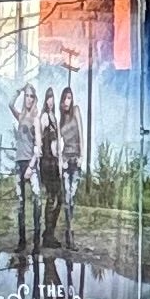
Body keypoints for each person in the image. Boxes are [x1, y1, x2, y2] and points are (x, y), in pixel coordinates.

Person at [8, 84, 38, 251]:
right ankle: (22, 241)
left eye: (31, 96)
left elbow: (38, 146)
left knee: (36, 200)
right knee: (20, 204)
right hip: (19, 163)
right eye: (27, 95)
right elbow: (10, 104)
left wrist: (31, 166)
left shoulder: (35, 118)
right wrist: (19, 90)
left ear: (34, 99)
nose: (29, 99)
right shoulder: (20, 117)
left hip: (30, 165)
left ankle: (36, 242)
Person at [57, 87, 83, 249]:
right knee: (67, 199)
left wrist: (82, 156)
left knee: (72, 198)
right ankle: (69, 233)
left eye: (69, 98)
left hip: (76, 160)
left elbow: (81, 133)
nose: (67, 101)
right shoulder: (60, 120)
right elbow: (58, 143)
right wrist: (61, 162)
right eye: (65, 98)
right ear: (61, 101)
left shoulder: (76, 111)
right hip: (66, 161)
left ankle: (69, 230)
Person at [37, 88, 62, 249]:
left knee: (59, 197)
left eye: (52, 98)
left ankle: (49, 232)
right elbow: (39, 137)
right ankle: (48, 236)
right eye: (48, 98)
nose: (50, 101)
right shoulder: (45, 117)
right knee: (52, 197)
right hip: (47, 162)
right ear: (45, 100)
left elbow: (57, 144)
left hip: (55, 162)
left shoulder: (55, 118)